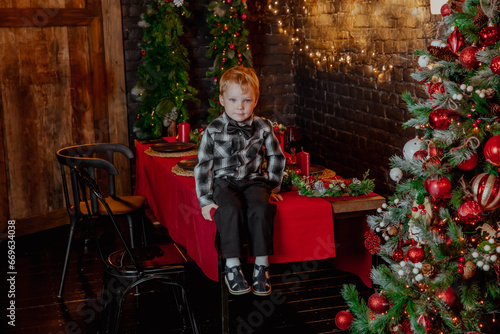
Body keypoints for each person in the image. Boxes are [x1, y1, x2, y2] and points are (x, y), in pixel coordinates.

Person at [194, 66, 286, 296]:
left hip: (253, 180)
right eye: (233, 99)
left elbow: (276, 155)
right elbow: (204, 165)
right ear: (222, 100)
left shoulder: (263, 126)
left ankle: (261, 266)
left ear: (255, 101)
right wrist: (205, 200)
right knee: (230, 210)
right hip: (224, 182)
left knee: (261, 207)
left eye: (246, 100)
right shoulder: (214, 129)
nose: (240, 106)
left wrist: (273, 185)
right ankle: (232, 266)